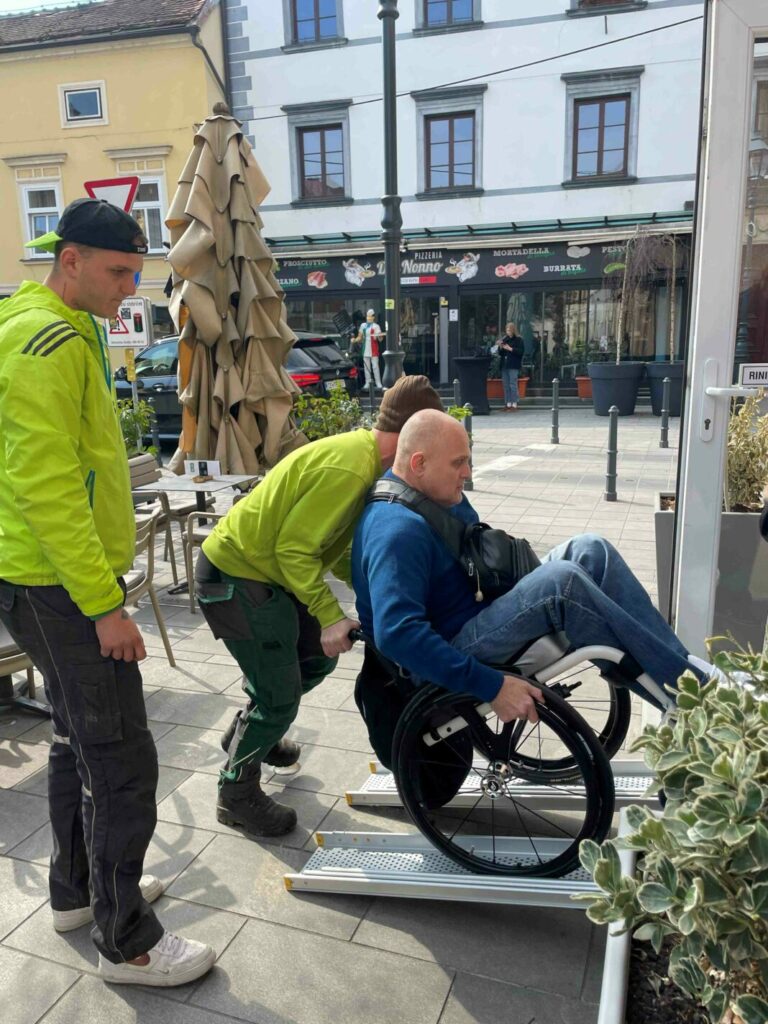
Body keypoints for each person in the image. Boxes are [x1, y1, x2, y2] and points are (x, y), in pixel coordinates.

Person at [0, 198, 215, 987]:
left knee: (74, 742)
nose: (130, 287)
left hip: (47, 577)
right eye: (119, 271)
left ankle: (79, 892)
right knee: (122, 758)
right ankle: (129, 942)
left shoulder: (56, 325)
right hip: (59, 584)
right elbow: (46, 484)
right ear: (72, 262)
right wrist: (104, 604)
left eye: (135, 271)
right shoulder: (47, 339)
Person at [194, 375, 444, 838]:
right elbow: (294, 550)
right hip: (235, 575)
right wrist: (330, 615)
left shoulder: (368, 463)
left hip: (267, 573)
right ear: (414, 443)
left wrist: (379, 597)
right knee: (280, 695)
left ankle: (253, 734)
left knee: (314, 662)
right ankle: (236, 795)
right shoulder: (350, 469)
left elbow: (338, 551)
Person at [352, 410, 709, 724]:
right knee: (563, 583)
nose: (468, 472)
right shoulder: (396, 531)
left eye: (469, 460)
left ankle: (684, 678)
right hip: (448, 647)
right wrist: (492, 685)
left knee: (590, 549)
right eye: (458, 463)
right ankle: (698, 703)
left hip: (477, 610)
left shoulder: (433, 495)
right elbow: (397, 634)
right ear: (418, 464)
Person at [493, 322, 525, 411]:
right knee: (506, 385)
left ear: (513, 330)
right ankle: (508, 403)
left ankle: (514, 403)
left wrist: (510, 349)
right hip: (504, 365)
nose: (508, 332)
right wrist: (500, 347)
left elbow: (521, 352)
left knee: (513, 384)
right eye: (507, 330)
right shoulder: (505, 339)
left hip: (513, 365)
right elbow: (500, 353)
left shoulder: (519, 340)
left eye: (509, 330)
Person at [353, 309, 383, 392]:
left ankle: (378, 382)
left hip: (373, 348)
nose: (369, 317)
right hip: (365, 348)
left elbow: (380, 339)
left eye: (370, 316)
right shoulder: (363, 325)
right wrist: (354, 340)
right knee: (367, 367)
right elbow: (360, 337)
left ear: (373, 317)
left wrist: (378, 336)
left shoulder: (376, 326)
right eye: (368, 315)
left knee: (375, 366)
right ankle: (367, 382)